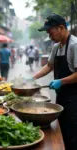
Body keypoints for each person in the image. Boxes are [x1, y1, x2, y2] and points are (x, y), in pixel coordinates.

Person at [27, 14, 77, 150]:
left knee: (72, 133)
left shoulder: (74, 45)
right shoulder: (56, 47)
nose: (49, 36)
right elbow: (49, 66)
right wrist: (33, 78)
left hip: (74, 97)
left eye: (50, 32)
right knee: (62, 129)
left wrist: (61, 81)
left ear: (61, 28)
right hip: (61, 95)